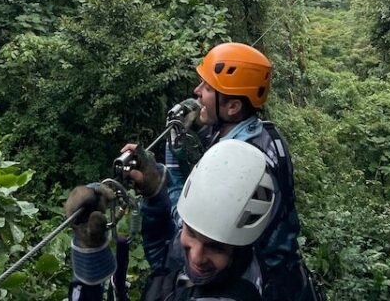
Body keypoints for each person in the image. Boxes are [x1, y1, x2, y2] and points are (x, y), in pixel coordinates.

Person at [167, 42, 320, 301]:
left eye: (206, 87)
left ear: (233, 107)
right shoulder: (265, 135)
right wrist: (189, 128)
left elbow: (193, 226)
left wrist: (166, 170)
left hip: (257, 286)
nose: (196, 92)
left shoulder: (239, 169)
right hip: (288, 277)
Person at [65, 139, 274, 301]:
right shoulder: (232, 261)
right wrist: (155, 196)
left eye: (216, 247)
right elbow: (168, 261)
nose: (196, 256)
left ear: (239, 247)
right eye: (191, 232)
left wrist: (88, 264)